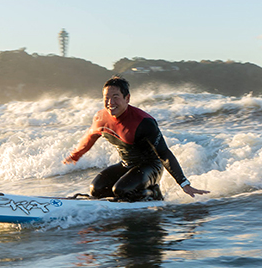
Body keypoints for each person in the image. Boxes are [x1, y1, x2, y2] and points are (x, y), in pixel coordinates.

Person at [63, 76, 209, 201]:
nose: (110, 103)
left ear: (127, 98)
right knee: (96, 189)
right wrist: (75, 155)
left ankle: (153, 193)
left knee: (122, 190)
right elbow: (90, 137)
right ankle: (120, 201)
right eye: (106, 98)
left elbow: (164, 153)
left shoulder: (144, 122)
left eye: (115, 97)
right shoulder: (101, 117)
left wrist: (184, 183)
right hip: (127, 164)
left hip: (150, 167)